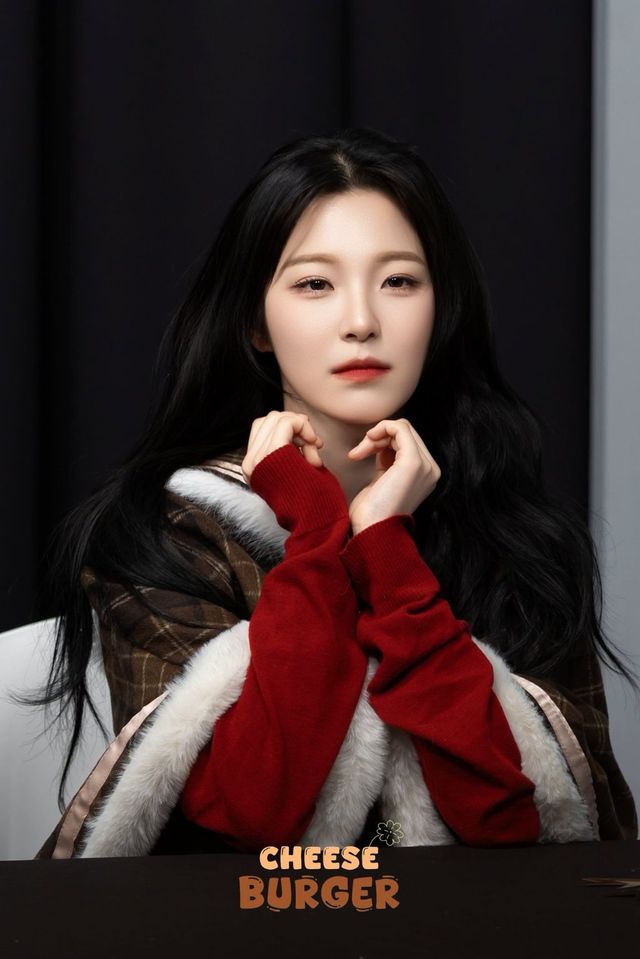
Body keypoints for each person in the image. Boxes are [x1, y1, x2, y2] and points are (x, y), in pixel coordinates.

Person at [30, 127, 637, 858]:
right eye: (315, 284)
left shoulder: (520, 535)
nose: (361, 322)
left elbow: (519, 824)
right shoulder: (167, 531)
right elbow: (251, 811)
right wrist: (318, 531)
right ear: (256, 322)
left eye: (399, 281)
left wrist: (385, 548)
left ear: (439, 308)